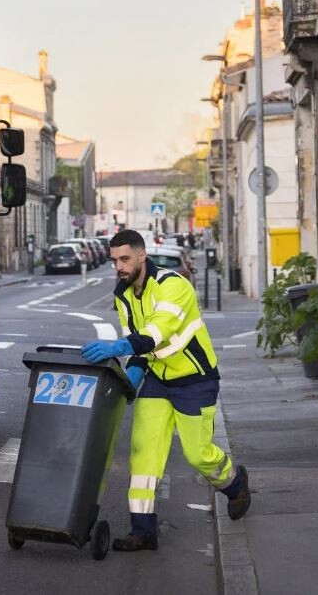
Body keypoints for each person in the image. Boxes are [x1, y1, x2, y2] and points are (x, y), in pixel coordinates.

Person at [81, 228, 249, 552]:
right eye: (114, 260)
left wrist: (117, 347)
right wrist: (132, 374)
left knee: (197, 454)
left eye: (125, 259)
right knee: (144, 453)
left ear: (142, 256)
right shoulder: (124, 294)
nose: (119, 266)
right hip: (158, 381)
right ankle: (143, 531)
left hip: (195, 380)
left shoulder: (174, 285)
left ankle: (234, 482)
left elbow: (157, 333)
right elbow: (140, 344)